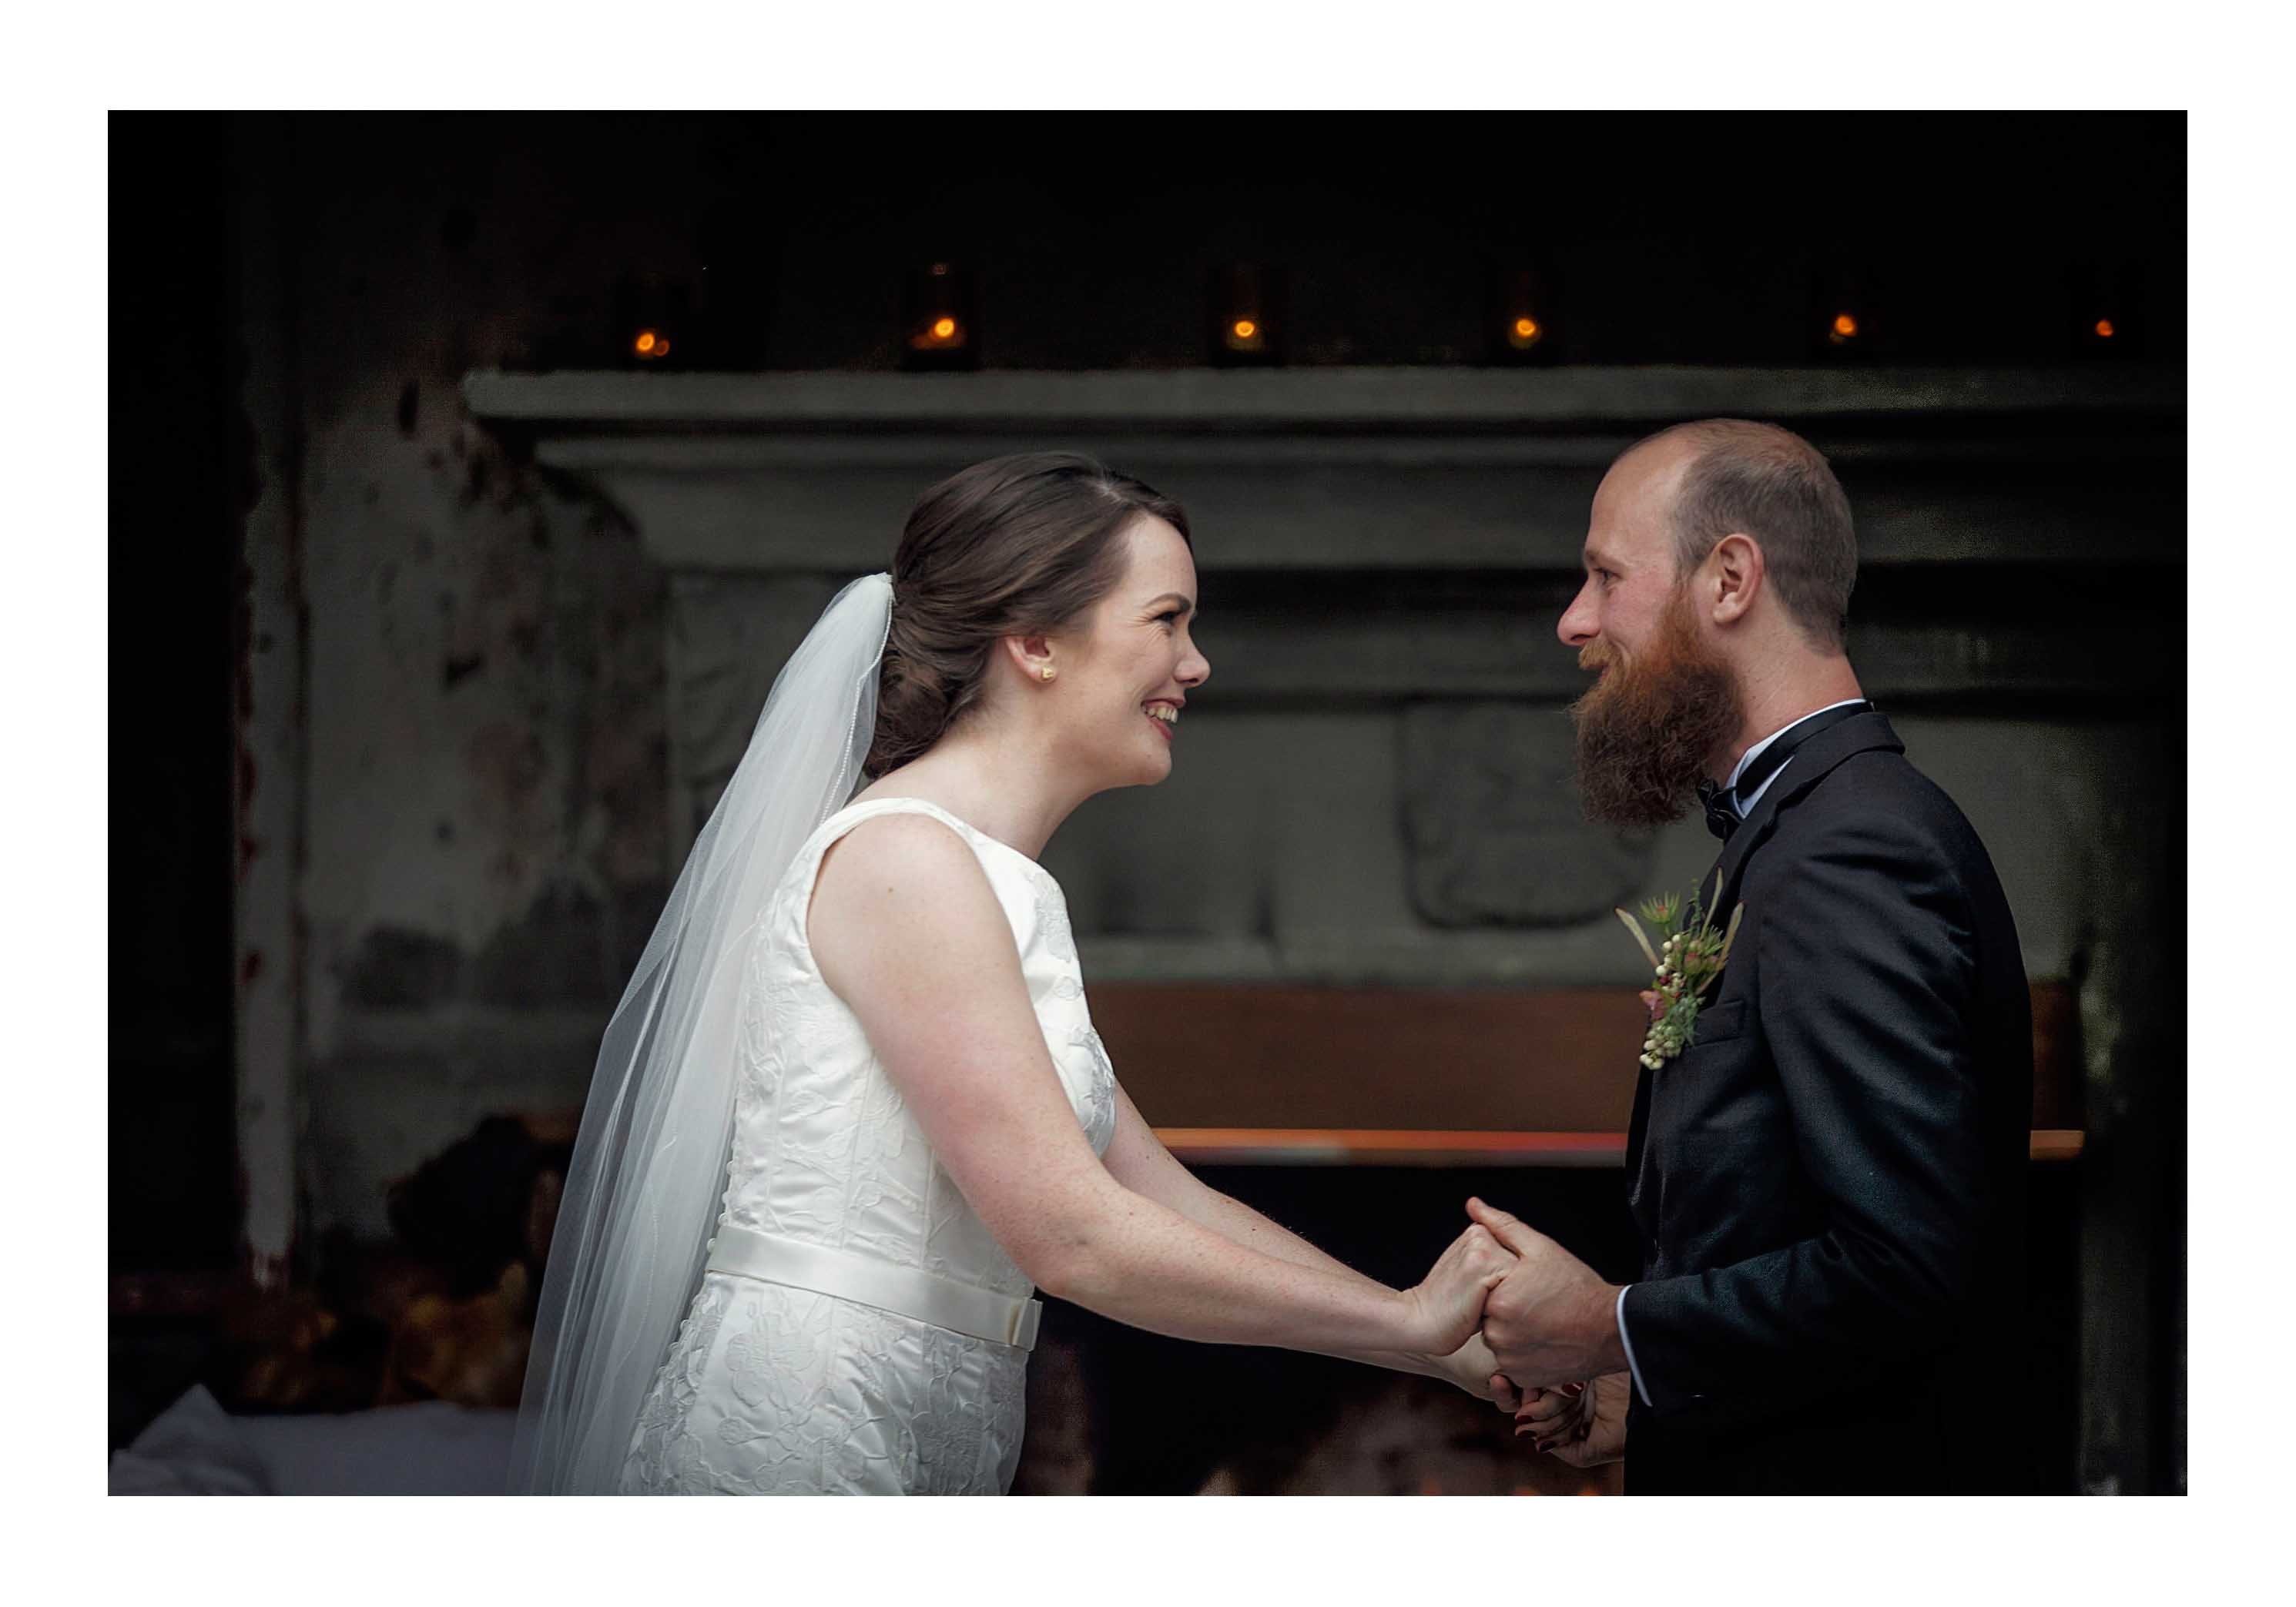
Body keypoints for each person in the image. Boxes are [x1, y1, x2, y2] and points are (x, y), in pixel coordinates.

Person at [510, 452, 1516, 1495]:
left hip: (929, 1411)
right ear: (1034, 642)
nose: (1197, 663)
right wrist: (1403, 1318)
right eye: (1166, 620)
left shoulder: (987, 879)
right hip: (812, 1424)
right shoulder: (906, 863)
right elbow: (1071, 1238)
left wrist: (1439, 1354)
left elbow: (1156, 1197)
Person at [1478, 420, 2033, 1494]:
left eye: (1604, 576)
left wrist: (1611, 1325)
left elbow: (1903, 1267)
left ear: (1728, 577)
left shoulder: (1849, 849)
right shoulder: (1790, 833)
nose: (1574, 621)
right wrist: (1658, 1394)